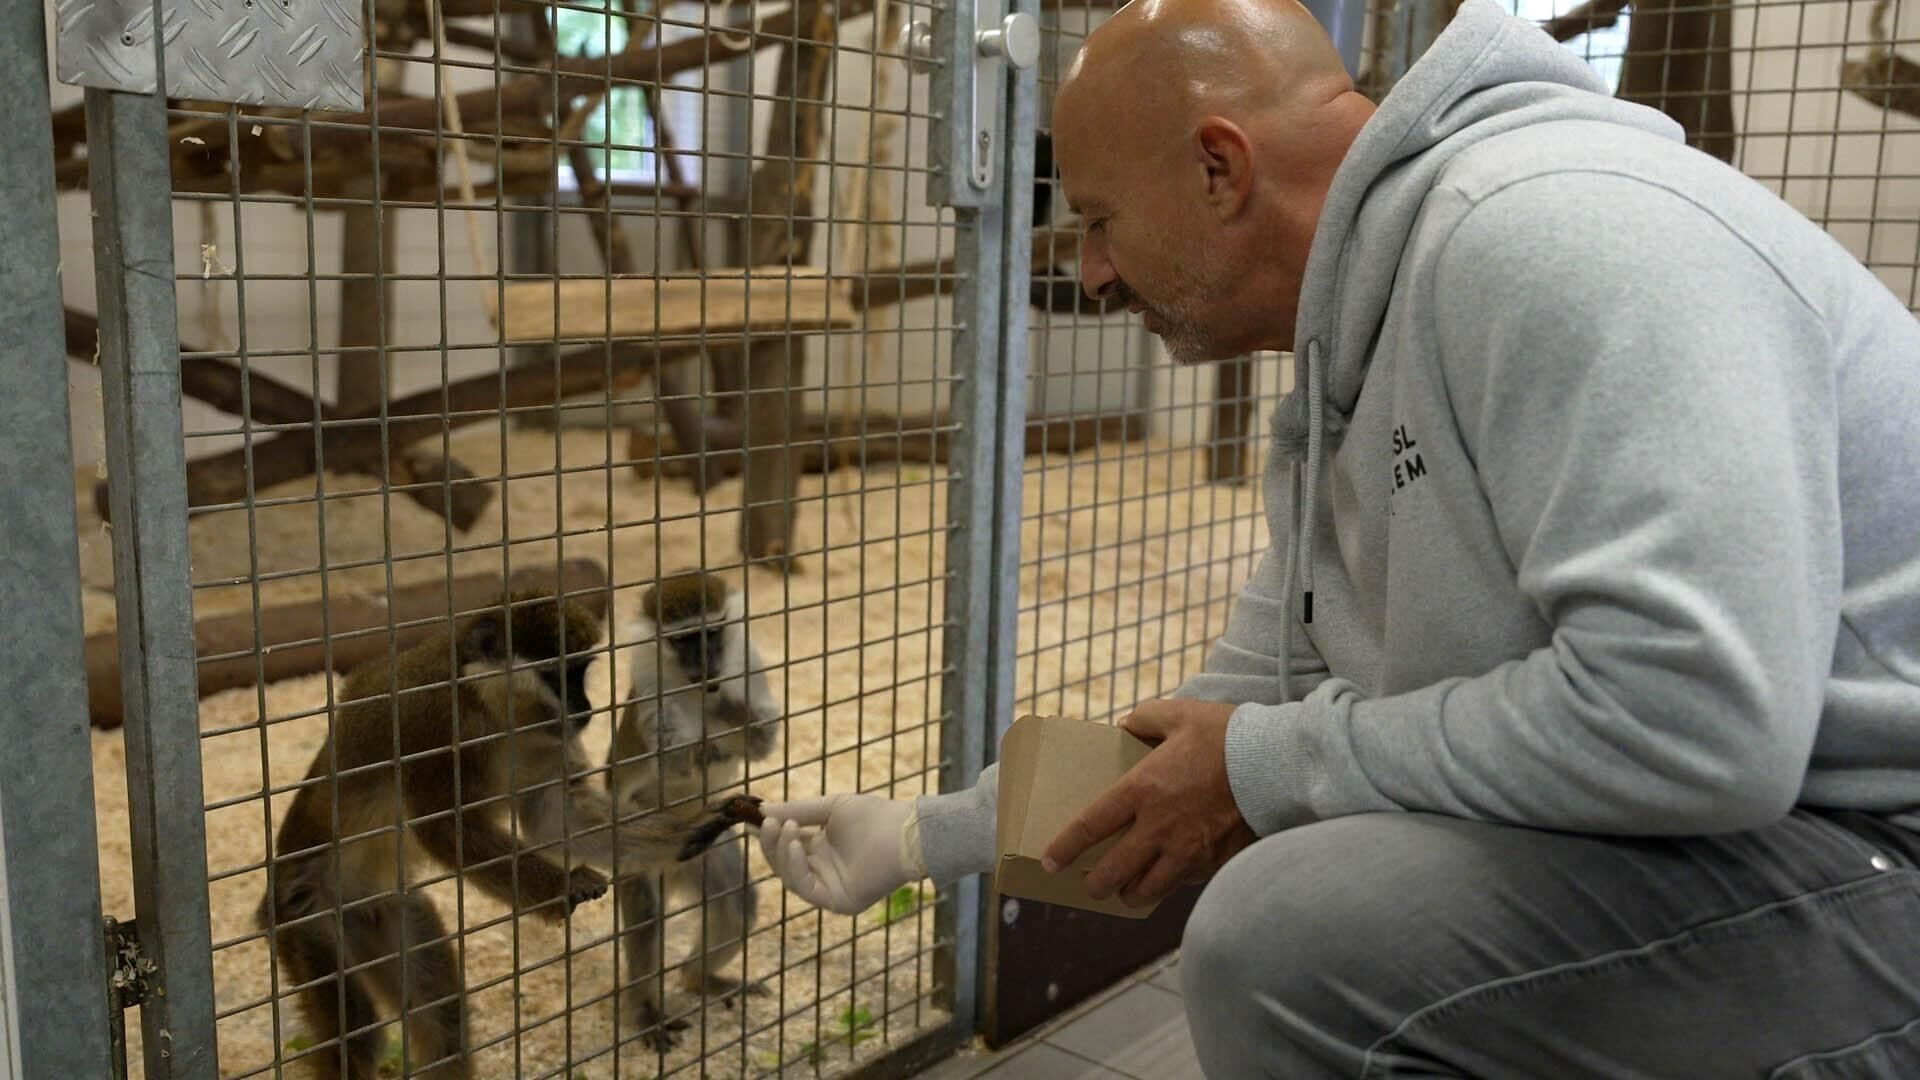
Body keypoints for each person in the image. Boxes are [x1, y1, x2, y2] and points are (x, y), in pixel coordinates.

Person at [754, 0, 1920, 1073]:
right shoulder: (1348, 368)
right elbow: (1227, 712)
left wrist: (1270, 765)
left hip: (1874, 841)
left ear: (1220, 167)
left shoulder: (1554, 232)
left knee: (1289, 935)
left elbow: (1697, 721)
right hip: (1769, 834)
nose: (1094, 272)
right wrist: (917, 837)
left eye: (1100, 218)